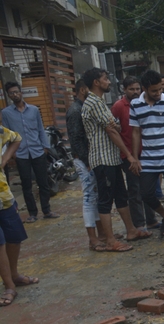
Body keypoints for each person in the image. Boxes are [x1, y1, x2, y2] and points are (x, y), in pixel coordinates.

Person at [81, 67, 151, 252]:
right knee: (106, 199)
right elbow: (112, 130)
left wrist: (115, 127)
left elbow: (114, 126)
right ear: (96, 82)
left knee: (121, 196)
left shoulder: (99, 102)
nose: (109, 82)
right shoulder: (94, 102)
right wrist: (129, 155)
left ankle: (131, 230)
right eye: (105, 79)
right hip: (102, 159)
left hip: (111, 159)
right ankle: (110, 240)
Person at [129, 70, 164, 244]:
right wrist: (135, 158)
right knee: (146, 193)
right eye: (154, 91)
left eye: (160, 89)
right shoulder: (135, 105)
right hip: (148, 158)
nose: (158, 93)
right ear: (145, 88)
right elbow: (136, 132)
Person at [1, 82, 59, 223]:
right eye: (11, 93)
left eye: (16, 92)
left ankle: (47, 210)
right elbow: (7, 135)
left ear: (21, 92)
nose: (15, 95)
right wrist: (12, 154)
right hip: (21, 154)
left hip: (37, 151)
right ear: (8, 96)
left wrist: (45, 147)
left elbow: (40, 129)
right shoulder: (6, 113)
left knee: (43, 182)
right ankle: (32, 213)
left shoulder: (33, 110)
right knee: (26, 185)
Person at [111, 76, 159, 231]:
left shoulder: (145, 103)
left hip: (147, 153)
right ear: (124, 90)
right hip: (129, 155)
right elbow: (114, 130)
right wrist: (128, 155)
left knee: (149, 188)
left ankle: (152, 220)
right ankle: (139, 224)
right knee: (134, 190)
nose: (135, 92)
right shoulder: (119, 107)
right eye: (131, 89)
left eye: (137, 89)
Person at [0, 111, 38, 306]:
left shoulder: (0, 132)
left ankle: (13, 275)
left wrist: (5, 159)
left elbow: (16, 138)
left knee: (14, 237)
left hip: (4, 195)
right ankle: (9, 286)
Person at [67, 79, 107, 251]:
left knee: (95, 196)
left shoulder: (81, 108)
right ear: (83, 90)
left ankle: (101, 234)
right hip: (85, 160)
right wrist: (86, 160)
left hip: (88, 159)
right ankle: (93, 238)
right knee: (89, 198)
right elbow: (76, 139)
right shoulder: (76, 111)